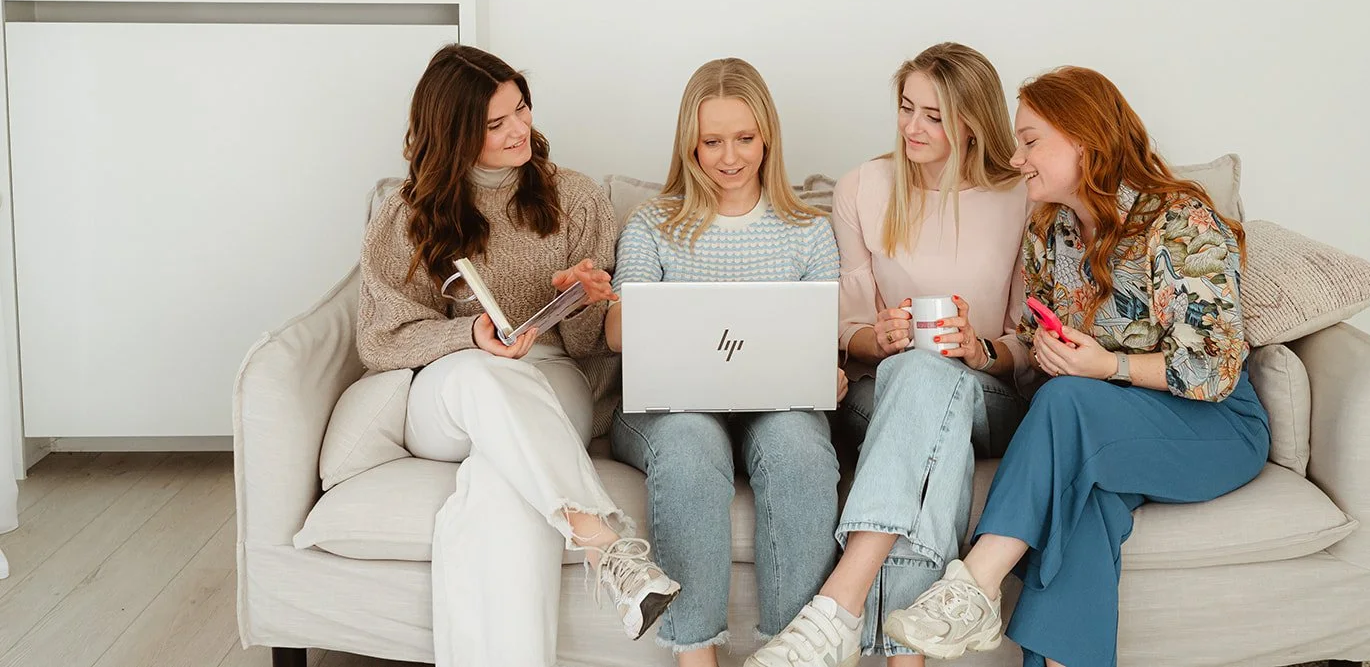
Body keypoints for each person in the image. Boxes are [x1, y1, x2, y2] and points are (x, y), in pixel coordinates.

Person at [881, 66, 1269, 667]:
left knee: (1064, 400)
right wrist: (984, 351)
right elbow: (1031, 340)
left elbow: (1214, 368)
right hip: (1104, 430)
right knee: (1081, 508)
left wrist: (1108, 365)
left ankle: (976, 583)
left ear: (1084, 142)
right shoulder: (1052, 228)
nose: (1016, 158)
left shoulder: (1179, 221)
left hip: (1213, 425)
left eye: (1030, 141)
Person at [357, 44, 680, 667]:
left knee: (502, 495)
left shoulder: (575, 198)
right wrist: (468, 337)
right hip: (450, 389)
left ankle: (599, 556)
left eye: (522, 110)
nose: (519, 130)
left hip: (552, 379)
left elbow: (594, 347)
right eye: (495, 123)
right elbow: (381, 337)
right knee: (483, 375)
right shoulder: (406, 214)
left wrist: (583, 300)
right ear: (453, 135)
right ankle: (604, 543)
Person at [748, 42, 1030, 667]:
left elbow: (1029, 343)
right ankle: (906, 657)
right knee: (931, 422)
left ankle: (838, 608)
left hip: (988, 394)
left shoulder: (1021, 197)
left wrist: (981, 348)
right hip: (878, 392)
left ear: (973, 121)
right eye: (906, 108)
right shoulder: (863, 188)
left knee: (931, 380)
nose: (912, 127)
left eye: (934, 115)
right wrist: (877, 338)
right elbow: (843, 328)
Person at [607, 58, 845, 664]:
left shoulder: (809, 230)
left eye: (744, 139)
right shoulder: (652, 223)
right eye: (712, 141)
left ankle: (792, 653)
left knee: (799, 450)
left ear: (768, 138)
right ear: (690, 143)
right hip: (670, 408)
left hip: (775, 406)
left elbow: (824, 341)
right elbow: (615, 334)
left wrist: (828, 374)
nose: (730, 157)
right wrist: (630, 305)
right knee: (690, 444)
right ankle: (696, 655)